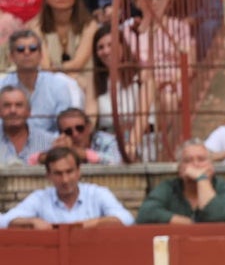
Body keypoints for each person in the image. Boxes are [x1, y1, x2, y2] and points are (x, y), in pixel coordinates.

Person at [0, 146, 133, 228]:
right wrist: (32, 222)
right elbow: (3, 221)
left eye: (69, 172)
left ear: (78, 171)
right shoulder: (40, 198)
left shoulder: (97, 193)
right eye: (58, 173)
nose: (65, 180)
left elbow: (127, 219)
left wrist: (90, 224)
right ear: (48, 175)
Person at [120, 0, 195, 120]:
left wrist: (166, 81)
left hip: (170, 84)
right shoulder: (129, 30)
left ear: (168, 1)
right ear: (139, 1)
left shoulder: (179, 27)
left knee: (169, 100)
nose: (153, 2)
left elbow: (188, 66)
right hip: (138, 84)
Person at [33, 0, 99, 118]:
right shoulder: (36, 26)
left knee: (88, 80)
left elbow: (79, 63)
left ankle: (87, 128)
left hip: (83, 76)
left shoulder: (90, 25)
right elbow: (45, 66)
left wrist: (59, 71)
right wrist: (65, 76)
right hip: (48, 79)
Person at [136, 139, 225, 224]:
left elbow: (215, 216)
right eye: (188, 161)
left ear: (211, 166)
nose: (195, 164)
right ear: (180, 168)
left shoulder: (224, 188)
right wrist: (186, 223)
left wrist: (201, 179)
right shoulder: (168, 187)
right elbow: (146, 213)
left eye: (201, 159)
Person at [92, 22, 153, 161]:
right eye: (100, 47)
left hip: (141, 142)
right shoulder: (96, 83)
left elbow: (142, 117)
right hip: (107, 144)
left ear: (122, 46)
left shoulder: (142, 77)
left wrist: (130, 146)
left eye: (111, 45)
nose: (106, 51)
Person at [0, 30, 76, 134]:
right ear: (11, 57)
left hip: (50, 146)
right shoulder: (2, 85)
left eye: (32, 49)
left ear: (41, 55)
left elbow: (64, 126)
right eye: (20, 49)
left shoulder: (58, 85)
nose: (27, 53)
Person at [30, 106, 121, 164]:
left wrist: (84, 154)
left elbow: (116, 161)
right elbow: (31, 160)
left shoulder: (106, 140)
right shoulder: (59, 142)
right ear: (62, 134)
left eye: (79, 128)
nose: (75, 134)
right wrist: (53, 154)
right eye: (68, 131)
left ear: (89, 127)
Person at [0, 84, 54, 164]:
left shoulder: (49, 143)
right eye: (7, 105)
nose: (13, 110)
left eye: (19, 105)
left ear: (29, 111)